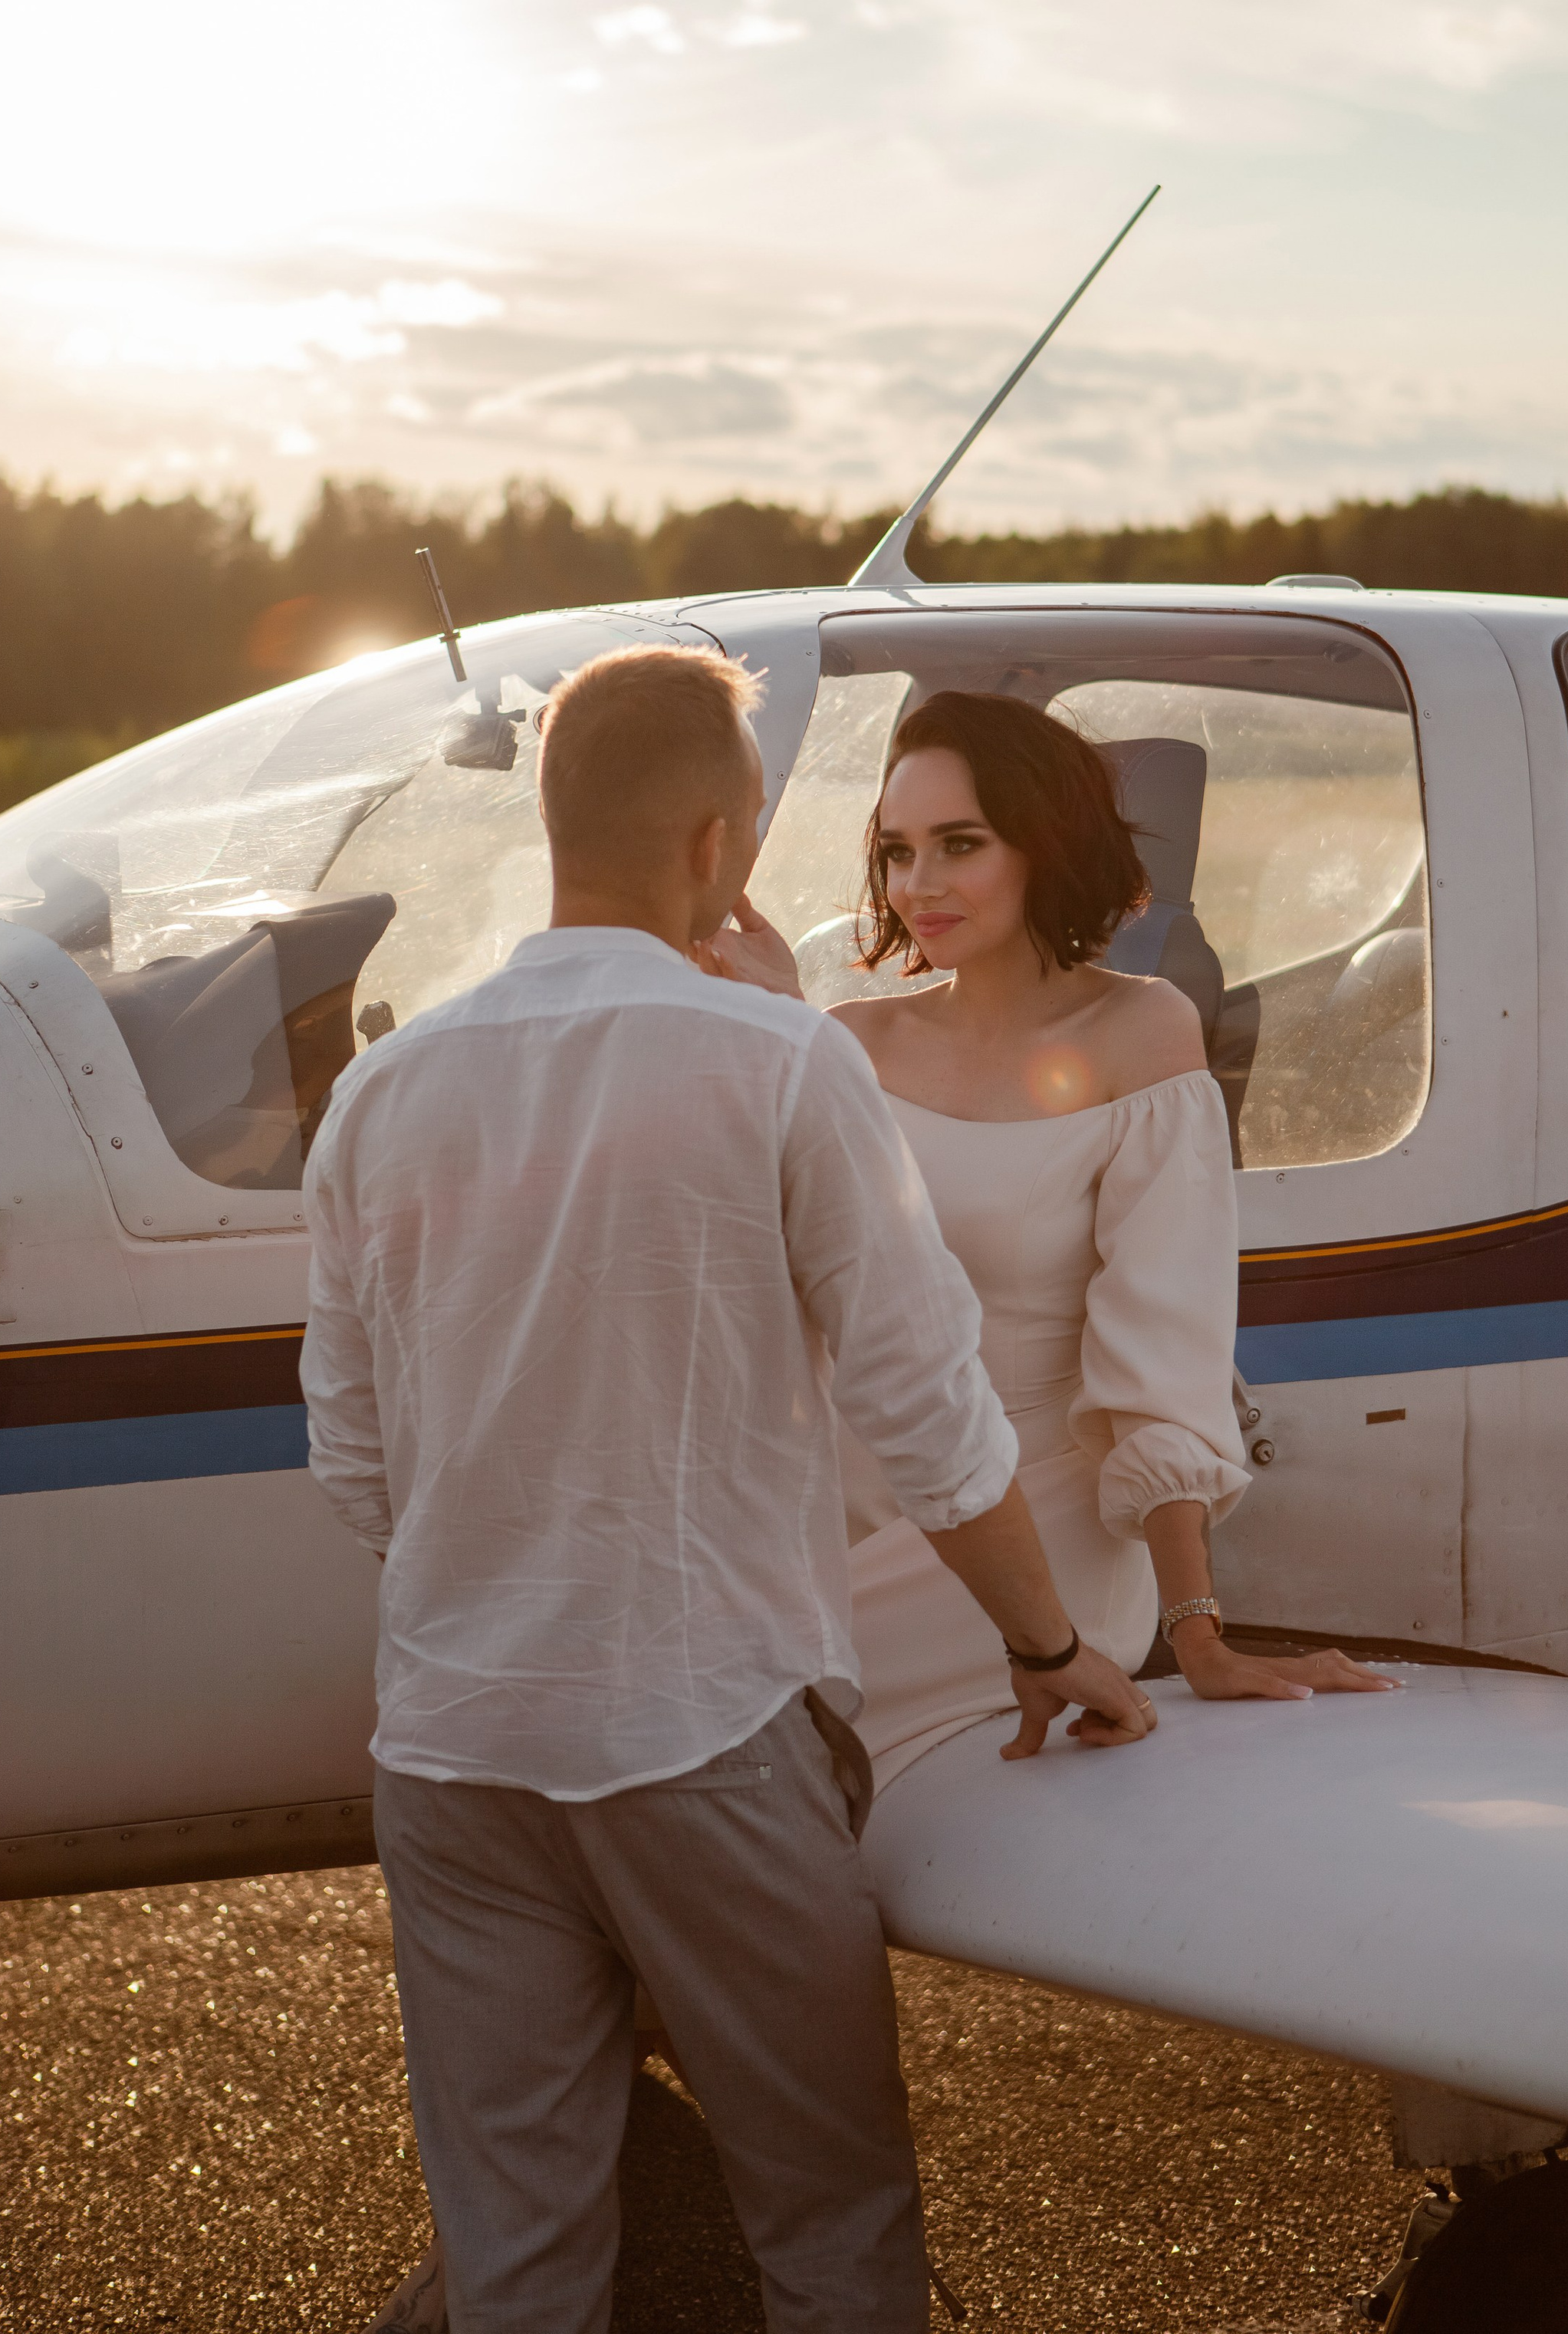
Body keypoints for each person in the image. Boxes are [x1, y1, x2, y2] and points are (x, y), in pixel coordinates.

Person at [301, 645, 1156, 2334]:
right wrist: (1052, 1648)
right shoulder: (784, 1063)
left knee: (516, 2255)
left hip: (451, 1752)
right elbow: (930, 1415)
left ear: (555, 823)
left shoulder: (382, 1092)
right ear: (716, 842)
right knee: (828, 2224)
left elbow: (352, 1455)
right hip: (703, 1738)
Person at [699, 689, 1394, 1782]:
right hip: (837, 1520)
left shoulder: (1141, 1030)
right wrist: (775, 1030)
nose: (918, 885)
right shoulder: (844, 1040)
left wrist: (1197, 1634)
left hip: (1035, 1539)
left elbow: (1162, 1354)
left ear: (1044, 844)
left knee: (745, 1743)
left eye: (960, 844)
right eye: (897, 852)